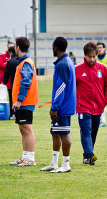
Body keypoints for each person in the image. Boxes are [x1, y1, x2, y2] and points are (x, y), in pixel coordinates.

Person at [40, 37, 76, 173]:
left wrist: (55, 107)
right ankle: (54, 163)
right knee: (55, 132)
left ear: (55, 47)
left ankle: (66, 164)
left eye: (52, 46)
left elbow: (61, 87)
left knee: (64, 133)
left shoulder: (62, 64)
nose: (52, 49)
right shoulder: (67, 61)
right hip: (63, 104)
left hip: (63, 106)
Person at [76, 42, 107, 165]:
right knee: (86, 131)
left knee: (93, 133)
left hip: (98, 107)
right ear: (85, 55)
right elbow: (71, 89)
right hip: (83, 107)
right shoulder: (77, 69)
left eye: (94, 56)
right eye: (89, 56)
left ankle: (87, 157)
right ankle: (90, 155)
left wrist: (105, 101)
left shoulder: (103, 69)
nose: (92, 59)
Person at [9, 37, 39, 166]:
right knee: (22, 129)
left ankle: (30, 159)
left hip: (25, 102)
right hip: (22, 102)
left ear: (18, 48)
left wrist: (19, 100)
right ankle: (25, 156)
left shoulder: (26, 62)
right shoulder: (22, 62)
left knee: (27, 129)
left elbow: (25, 82)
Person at [0, 42, 14, 118]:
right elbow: (0, 65)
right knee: (2, 98)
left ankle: (12, 114)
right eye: (9, 47)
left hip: (12, 81)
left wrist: (8, 65)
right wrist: (10, 66)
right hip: (4, 80)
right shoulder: (3, 56)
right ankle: (1, 113)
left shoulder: (16, 57)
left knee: (12, 98)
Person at [3, 46, 18, 119]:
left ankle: (13, 114)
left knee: (12, 98)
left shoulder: (10, 61)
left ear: (10, 52)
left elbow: (7, 73)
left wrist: (4, 82)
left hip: (13, 83)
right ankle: (19, 113)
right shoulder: (21, 60)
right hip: (21, 83)